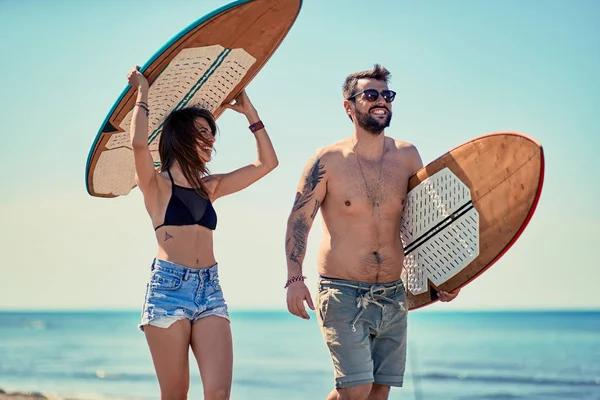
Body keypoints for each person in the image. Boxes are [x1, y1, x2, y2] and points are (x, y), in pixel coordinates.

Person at [284, 64, 459, 400]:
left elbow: (422, 223)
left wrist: (441, 276)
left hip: (393, 294)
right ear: (349, 106)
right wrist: (294, 277)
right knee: (356, 389)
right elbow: (299, 219)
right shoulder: (327, 160)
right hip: (342, 292)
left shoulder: (408, 156)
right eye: (371, 95)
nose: (382, 101)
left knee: (378, 393)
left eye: (387, 95)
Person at [127, 66, 278, 399]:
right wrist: (142, 91)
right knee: (176, 393)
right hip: (168, 291)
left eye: (212, 133)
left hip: (209, 290)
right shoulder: (156, 185)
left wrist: (251, 115)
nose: (211, 139)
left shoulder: (210, 187)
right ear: (180, 136)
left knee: (219, 393)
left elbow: (267, 163)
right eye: (202, 132)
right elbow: (139, 145)